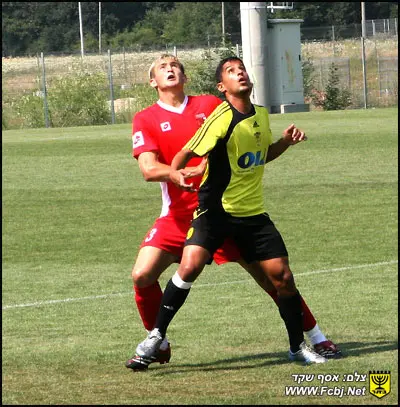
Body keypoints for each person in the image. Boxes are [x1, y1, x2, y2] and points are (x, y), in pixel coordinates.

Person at [126, 54, 341, 371]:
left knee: (273, 279)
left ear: (185, 76)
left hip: (223, 211)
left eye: (175, 65)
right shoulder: (145, 118)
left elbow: (244, 143)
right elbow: (147, 168)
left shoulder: (211, 106)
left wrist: (276, 144)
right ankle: (158, 341)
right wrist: (174, 173)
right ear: (152, 81)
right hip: (177, 215)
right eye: (162, 67)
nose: (170, 69)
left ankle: (315, 336)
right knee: (142, 275)